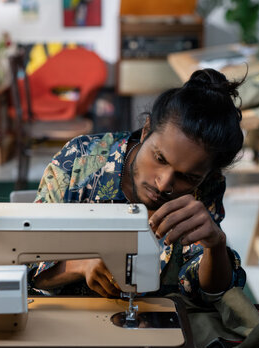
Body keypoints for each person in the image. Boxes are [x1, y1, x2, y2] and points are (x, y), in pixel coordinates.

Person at [29, 68, 247, 305]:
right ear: (146, 130)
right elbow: (27, 266)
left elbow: (208, 293)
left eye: (188, 177)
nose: (164, 184)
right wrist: (79, 265)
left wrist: (215, 246)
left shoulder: (206, 187)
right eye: (160, 159)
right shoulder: (79, 161)